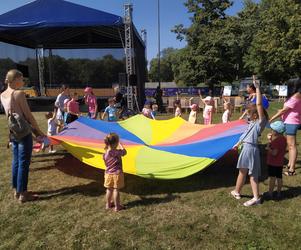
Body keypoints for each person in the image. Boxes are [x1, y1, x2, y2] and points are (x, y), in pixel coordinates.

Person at [0, 69, 45, 203]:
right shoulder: (18, 94)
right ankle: (23, 194)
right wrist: (38, 131)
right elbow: (28, 115)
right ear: (15, 80)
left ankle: (17, 190)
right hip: (24, 132)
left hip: (13, 131)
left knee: (16, 161)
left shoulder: (2, 94)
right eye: (21, 79)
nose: (23, 81)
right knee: (24, 162)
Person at [231, 75, 268, 207]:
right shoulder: (252, 123)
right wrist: (237, 144)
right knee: (244, 171)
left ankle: (256, 197)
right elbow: (244, 135)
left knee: (251, 174)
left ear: (256, 115)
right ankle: (236, 191)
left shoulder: (259, 123)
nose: (246, 115)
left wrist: (258, 88)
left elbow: (258, 104)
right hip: (247, 148)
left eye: (248, 113)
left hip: (250, 149)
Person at [269, 78, 301, 176]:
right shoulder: (296, 96)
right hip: (290, 121)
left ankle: (291, 169)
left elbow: (283, 111)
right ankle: (290, 164)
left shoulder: (296, 96)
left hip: (292, 122)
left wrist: (271, 119)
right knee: (290, 145)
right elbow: (288, 109)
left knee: (291, 146)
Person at [103, 133, 127, 212]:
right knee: (116, 190)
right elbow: (124, 152)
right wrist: (121, 145)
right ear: (116, 143)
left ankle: (108, 204)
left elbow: (106, 163)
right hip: (117, 174)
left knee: (109, 189)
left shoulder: (105, 154)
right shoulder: (116, 152)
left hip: (108, 174)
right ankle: (117, 207)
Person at [265, 121, 287, 199]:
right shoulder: (283, 139)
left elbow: (274, 153)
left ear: (276, 131)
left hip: (273, 163)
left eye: (272, 130)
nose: (271, 131)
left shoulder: (277, 141)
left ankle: (270, 193)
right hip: (280, 163)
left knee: (272, 178)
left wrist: (268, 148)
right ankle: (279, 193)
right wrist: (271, 140)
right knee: (279, 178)